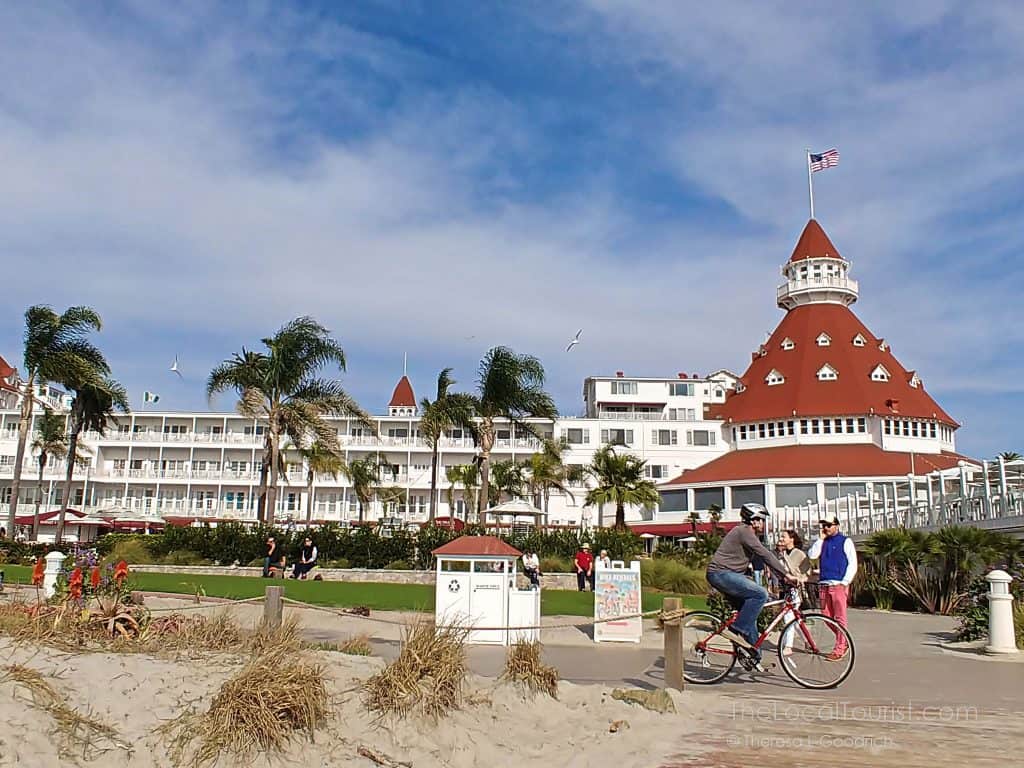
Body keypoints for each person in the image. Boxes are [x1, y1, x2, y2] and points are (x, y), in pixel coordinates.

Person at [706, 503, 797, 657]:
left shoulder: (747, 534)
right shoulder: (744, 531)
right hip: (720, 574)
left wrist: (781, 578)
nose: (763, 523)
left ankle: (754, 655)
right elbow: (765, 554)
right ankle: (735, 631)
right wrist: (786, 574)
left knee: (749, 614)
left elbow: (763, 561)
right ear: (754, 521)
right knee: (760, 594)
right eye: (762, 519)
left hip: (727, 575)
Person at [808, 517, 858, 660]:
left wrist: (845, 581)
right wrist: (820, 539)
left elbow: (852, 563)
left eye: (829, 525)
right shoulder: (823, 541)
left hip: (838, 584)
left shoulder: (845, 541)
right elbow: (812, 554)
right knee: (826, 616)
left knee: (840, 617)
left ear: (836, 525)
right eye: (824, 525)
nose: (826, 528)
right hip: (824, 584)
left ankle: (840, 647)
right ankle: (844, 640)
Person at [776, 529, 811, 655]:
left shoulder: (800, 554)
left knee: (788, 616)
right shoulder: (782, 554)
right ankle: (807, 641)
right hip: (785, 588)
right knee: (794, 618)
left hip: (796, 588)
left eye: (784, 536)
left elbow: (807, 572)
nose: (782, 539)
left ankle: (788, 646)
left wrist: (798, 579)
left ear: (792, 539)